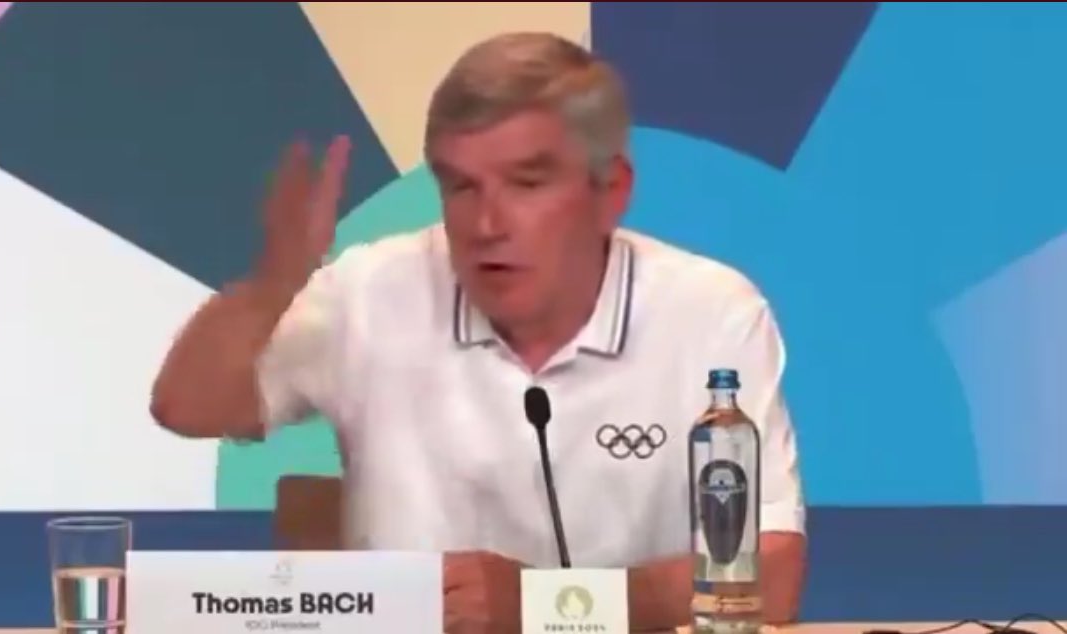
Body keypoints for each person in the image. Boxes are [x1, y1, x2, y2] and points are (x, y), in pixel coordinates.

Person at [151, 31, 807, 633]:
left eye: (526, 184)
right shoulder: (368, 289)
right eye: (462, 187)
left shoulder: (709, 312)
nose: (488, 225)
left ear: (610, 190)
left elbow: (770, 576)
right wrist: (273, 282)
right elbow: (188, 406)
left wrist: (548, 604)